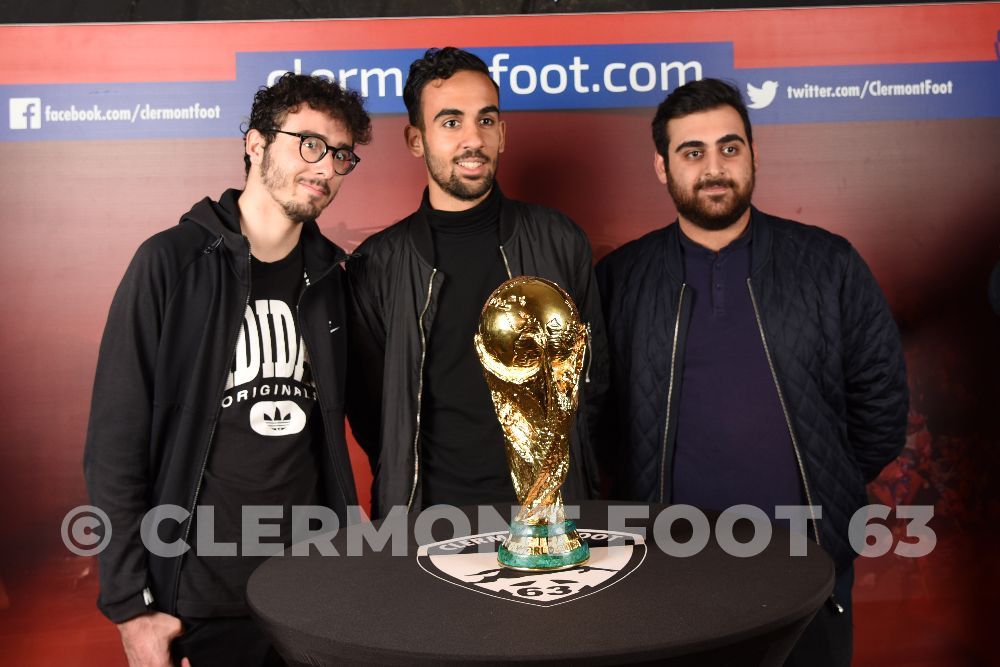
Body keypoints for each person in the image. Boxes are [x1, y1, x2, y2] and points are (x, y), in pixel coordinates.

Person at [594, 78, 907, 666]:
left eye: (730, 148)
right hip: (668, 570)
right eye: (693, 152)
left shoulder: (828, 265)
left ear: (754, 155)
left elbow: (881, 408)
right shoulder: (621, 279)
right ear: (663, 168)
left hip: (808, 564)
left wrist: (826, 475)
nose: (714, 167)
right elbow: (599, 421)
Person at [83, 73, 371, 666]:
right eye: (309, 144)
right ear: (256, 144)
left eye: (341, 155)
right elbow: (115, 445)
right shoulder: (169, 263)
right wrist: (130, 609)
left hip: (314, 595)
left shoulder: (333, 281)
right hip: (199, 600)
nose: (326, 167)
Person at [346, 47, 607, 518]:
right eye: (450, 122)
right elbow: (373, 413)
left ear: (503, 134)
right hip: (427, 521)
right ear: (415, 139)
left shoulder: (560, 240)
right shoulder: (377, 263)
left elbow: (594, 378)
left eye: (485, 121)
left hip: (550, 520)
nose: (473, 139)